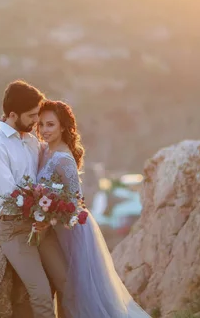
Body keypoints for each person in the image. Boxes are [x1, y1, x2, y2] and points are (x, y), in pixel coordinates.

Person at [36, 100, 151, 318]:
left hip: (72, 230)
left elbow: (74, 201)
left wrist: (48, 215)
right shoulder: (45, 151)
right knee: (64, 287)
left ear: (62, 126)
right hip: (55, 228)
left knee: (77, 290)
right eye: (41, 124)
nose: (44, 130)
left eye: (50, 124)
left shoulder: (63, 158)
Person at [0, 80, 73, 318]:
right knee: (40, 293)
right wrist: (42, 213)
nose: (36, 122)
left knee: (66, 282)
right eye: (32, 116)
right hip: (13, 228)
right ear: (13, 114)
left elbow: (45, 176)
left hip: (40, 224)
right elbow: (11, 195)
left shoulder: (30, 140)